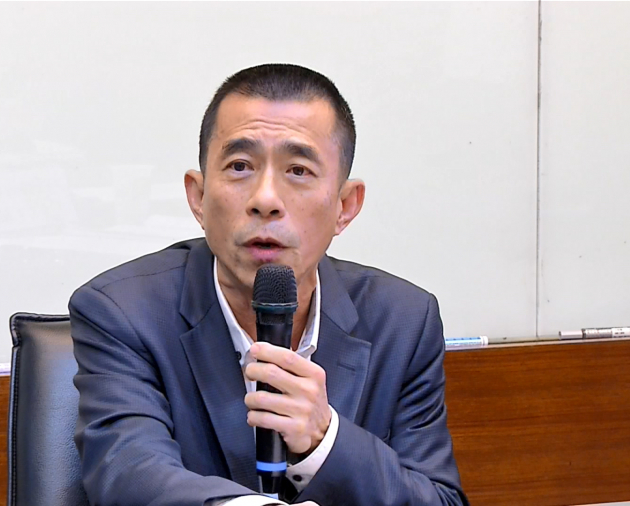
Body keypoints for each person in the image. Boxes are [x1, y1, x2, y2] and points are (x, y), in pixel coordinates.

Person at [70, 63, 468, 506]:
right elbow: (129, 477)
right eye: (240, 166)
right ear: (198, 197)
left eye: (298, 170)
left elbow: (439, 500)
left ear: (345, 206)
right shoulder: (123, 312)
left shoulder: (403, 322)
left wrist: (325, 441)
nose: (265, 200)